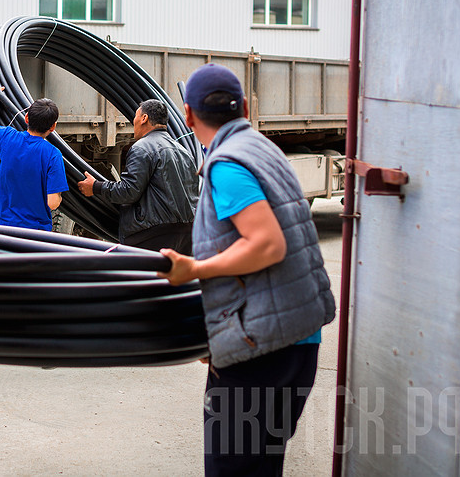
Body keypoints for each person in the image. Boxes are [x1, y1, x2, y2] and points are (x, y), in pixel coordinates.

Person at [157, 64, 336, 477]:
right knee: (259, 466)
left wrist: (195, 269)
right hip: (294, 338)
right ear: (244, 108)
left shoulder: (228, 164)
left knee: (233, 469)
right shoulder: (261, 147)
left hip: (264, 350)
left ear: (187, 114)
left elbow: (267, 244)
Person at [76, 98, 198, 253]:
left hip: (152, 234)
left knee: (139, 276)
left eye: (135, 116)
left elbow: (129, 192)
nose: (133, 122)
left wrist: (96, 187)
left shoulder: (143, 148)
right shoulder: (183, 151)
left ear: (144, 118)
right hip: (187, 233)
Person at [0, 88, 69, 231]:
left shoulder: (7, 137)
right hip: (36, 234)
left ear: (26, 118)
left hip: (4, 229)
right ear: (53, 127)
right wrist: (59, 197)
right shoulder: (53, 155)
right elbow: (52, 203)